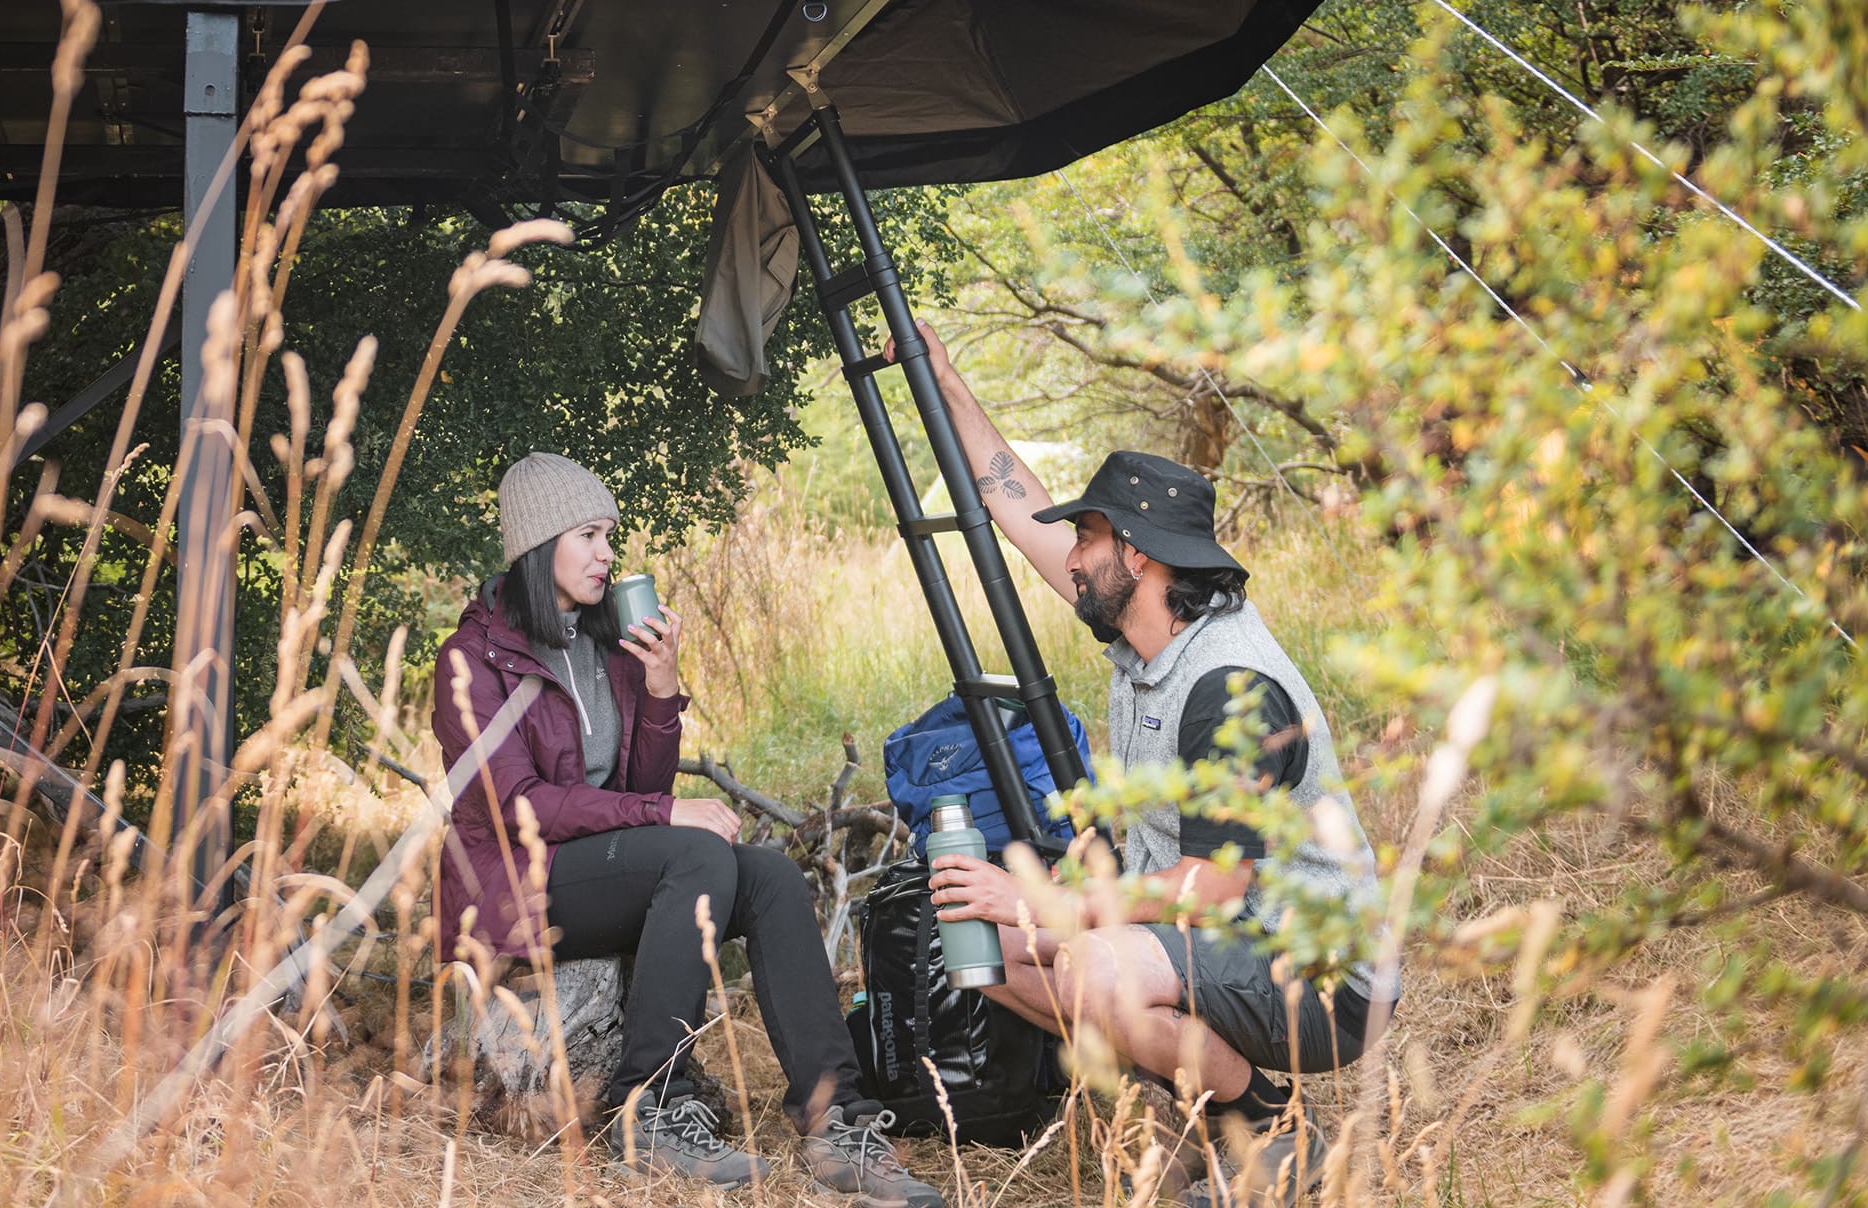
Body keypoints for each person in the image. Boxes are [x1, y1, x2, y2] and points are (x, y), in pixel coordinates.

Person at [905, 321, 1389, 1195]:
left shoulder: (1232, 688)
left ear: (1136, 554)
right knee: (991, 953)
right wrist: (944, 384)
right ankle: (1187, 1103)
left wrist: (1045, 899)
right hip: (1218, 945)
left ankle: (1276, 1132)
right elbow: (1018, 510)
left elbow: (1213, 888)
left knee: (1089, 960)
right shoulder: (1144, 624)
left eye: (1086, 539)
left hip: (1325, 976)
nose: (1073, 559)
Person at [432, 453, 943, 1204]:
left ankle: (837, 1119)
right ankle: (653, 1109)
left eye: (611, 534)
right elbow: (520, 807)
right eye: (589, 535)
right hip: (519, 890)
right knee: (696, 851)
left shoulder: (605, 644)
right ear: (539, 547)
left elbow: (643, 791)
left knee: (766, 876)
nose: (609, 553)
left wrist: (662, 693)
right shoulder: (473, 662)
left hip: (605, 875)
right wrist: (660, 815)